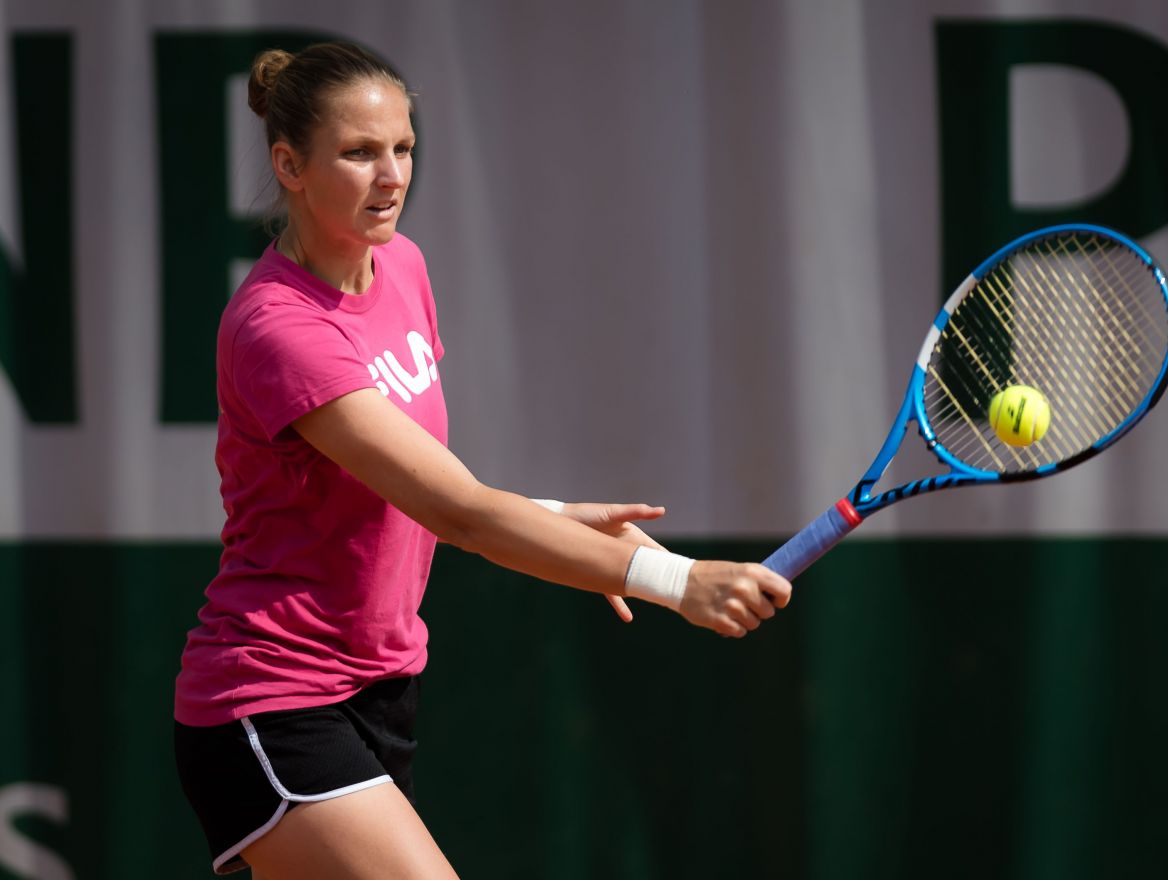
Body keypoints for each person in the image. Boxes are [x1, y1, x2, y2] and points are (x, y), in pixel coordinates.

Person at [172, 41, 792, 879]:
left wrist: (548, 516)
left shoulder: (403, 268)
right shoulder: (278, 330)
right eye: (358, 154)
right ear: (289, 164)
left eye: (403, 148)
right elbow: (458, 511)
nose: (391, 176)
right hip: (274, 700)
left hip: (383, 690)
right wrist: (680, 582)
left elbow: (404, 478)